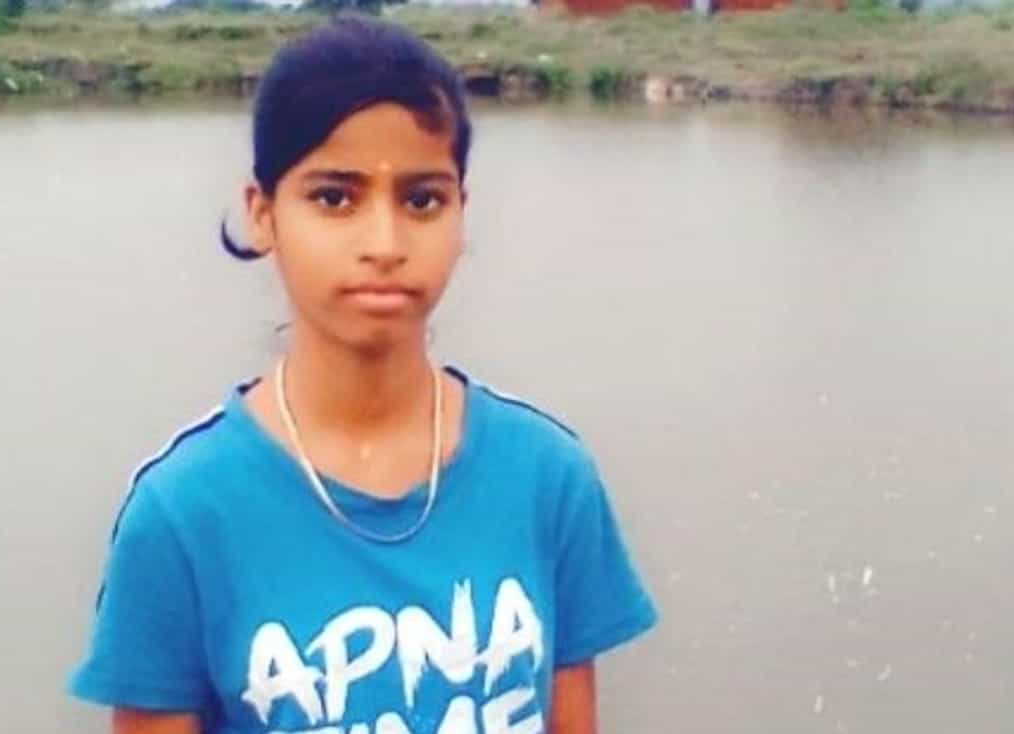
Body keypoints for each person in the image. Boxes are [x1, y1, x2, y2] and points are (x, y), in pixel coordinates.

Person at [66, 15, 658, 734]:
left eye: (422, 200)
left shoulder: (546, 478)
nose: (384, 243)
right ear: (263, 214)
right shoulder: (183, 516)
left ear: (461, 214)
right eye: (334, 198)